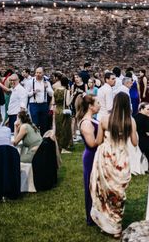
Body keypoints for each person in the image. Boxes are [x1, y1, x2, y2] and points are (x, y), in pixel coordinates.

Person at [90, 92, 138, 237]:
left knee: (104, 191)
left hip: (106, 158)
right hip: (121, 159)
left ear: (115, 103)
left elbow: (98, 141)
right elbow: (135, 143)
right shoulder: (131, 121)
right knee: (118, 193)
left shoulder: (104, 120)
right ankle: (115, 225)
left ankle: (107, 224)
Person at [77, 94, 103, 226]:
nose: (100, 104)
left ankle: (101, 214)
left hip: (98, 155)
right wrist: (103, 130)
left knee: (99, 185)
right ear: (90, 106)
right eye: (97, 102)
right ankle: (91, 217)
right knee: (91, 185)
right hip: (91, 156)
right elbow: (92, 143)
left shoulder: (93, 119)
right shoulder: (86, 123)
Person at [26, 67, 54, 133]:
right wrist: (33, 92)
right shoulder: (30, 82)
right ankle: (35, 138)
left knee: (44, 123)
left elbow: (51, 94)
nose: (38, 74)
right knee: (35, 123)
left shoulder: (47, 82)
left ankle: (43, 139)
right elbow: (26, 94)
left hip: (44, 104)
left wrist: (47, 88)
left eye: (40, 73)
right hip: (34, 104)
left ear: (43, 73)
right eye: (37, 73)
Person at [52, 73, 73, 151]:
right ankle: (64, 146)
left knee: (58, 128)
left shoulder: (56, 90)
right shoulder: (66, 91)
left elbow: (53, 102)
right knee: (65, 128)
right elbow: (67, 103)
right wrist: (72, 96)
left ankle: (57, 145)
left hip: (57, 110)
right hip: (64, 111)